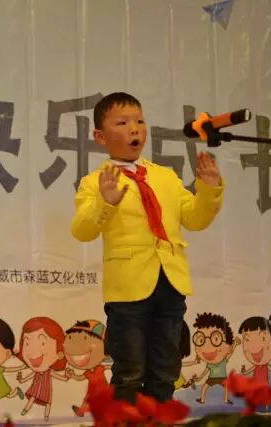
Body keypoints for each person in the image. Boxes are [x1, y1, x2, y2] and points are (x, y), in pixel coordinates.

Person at [70, 92, 224, 402]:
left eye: (140, 121)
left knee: (166, 370)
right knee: (129, 371)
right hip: (127, 289)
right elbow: (82, 230)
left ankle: (158, 419)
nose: (135, 129)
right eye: (122, 123)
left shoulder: (165, 177)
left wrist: (209, 189)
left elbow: (194, 219)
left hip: (171, 282)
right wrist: (105, 201)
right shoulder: (96, 181)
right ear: (100, 136)